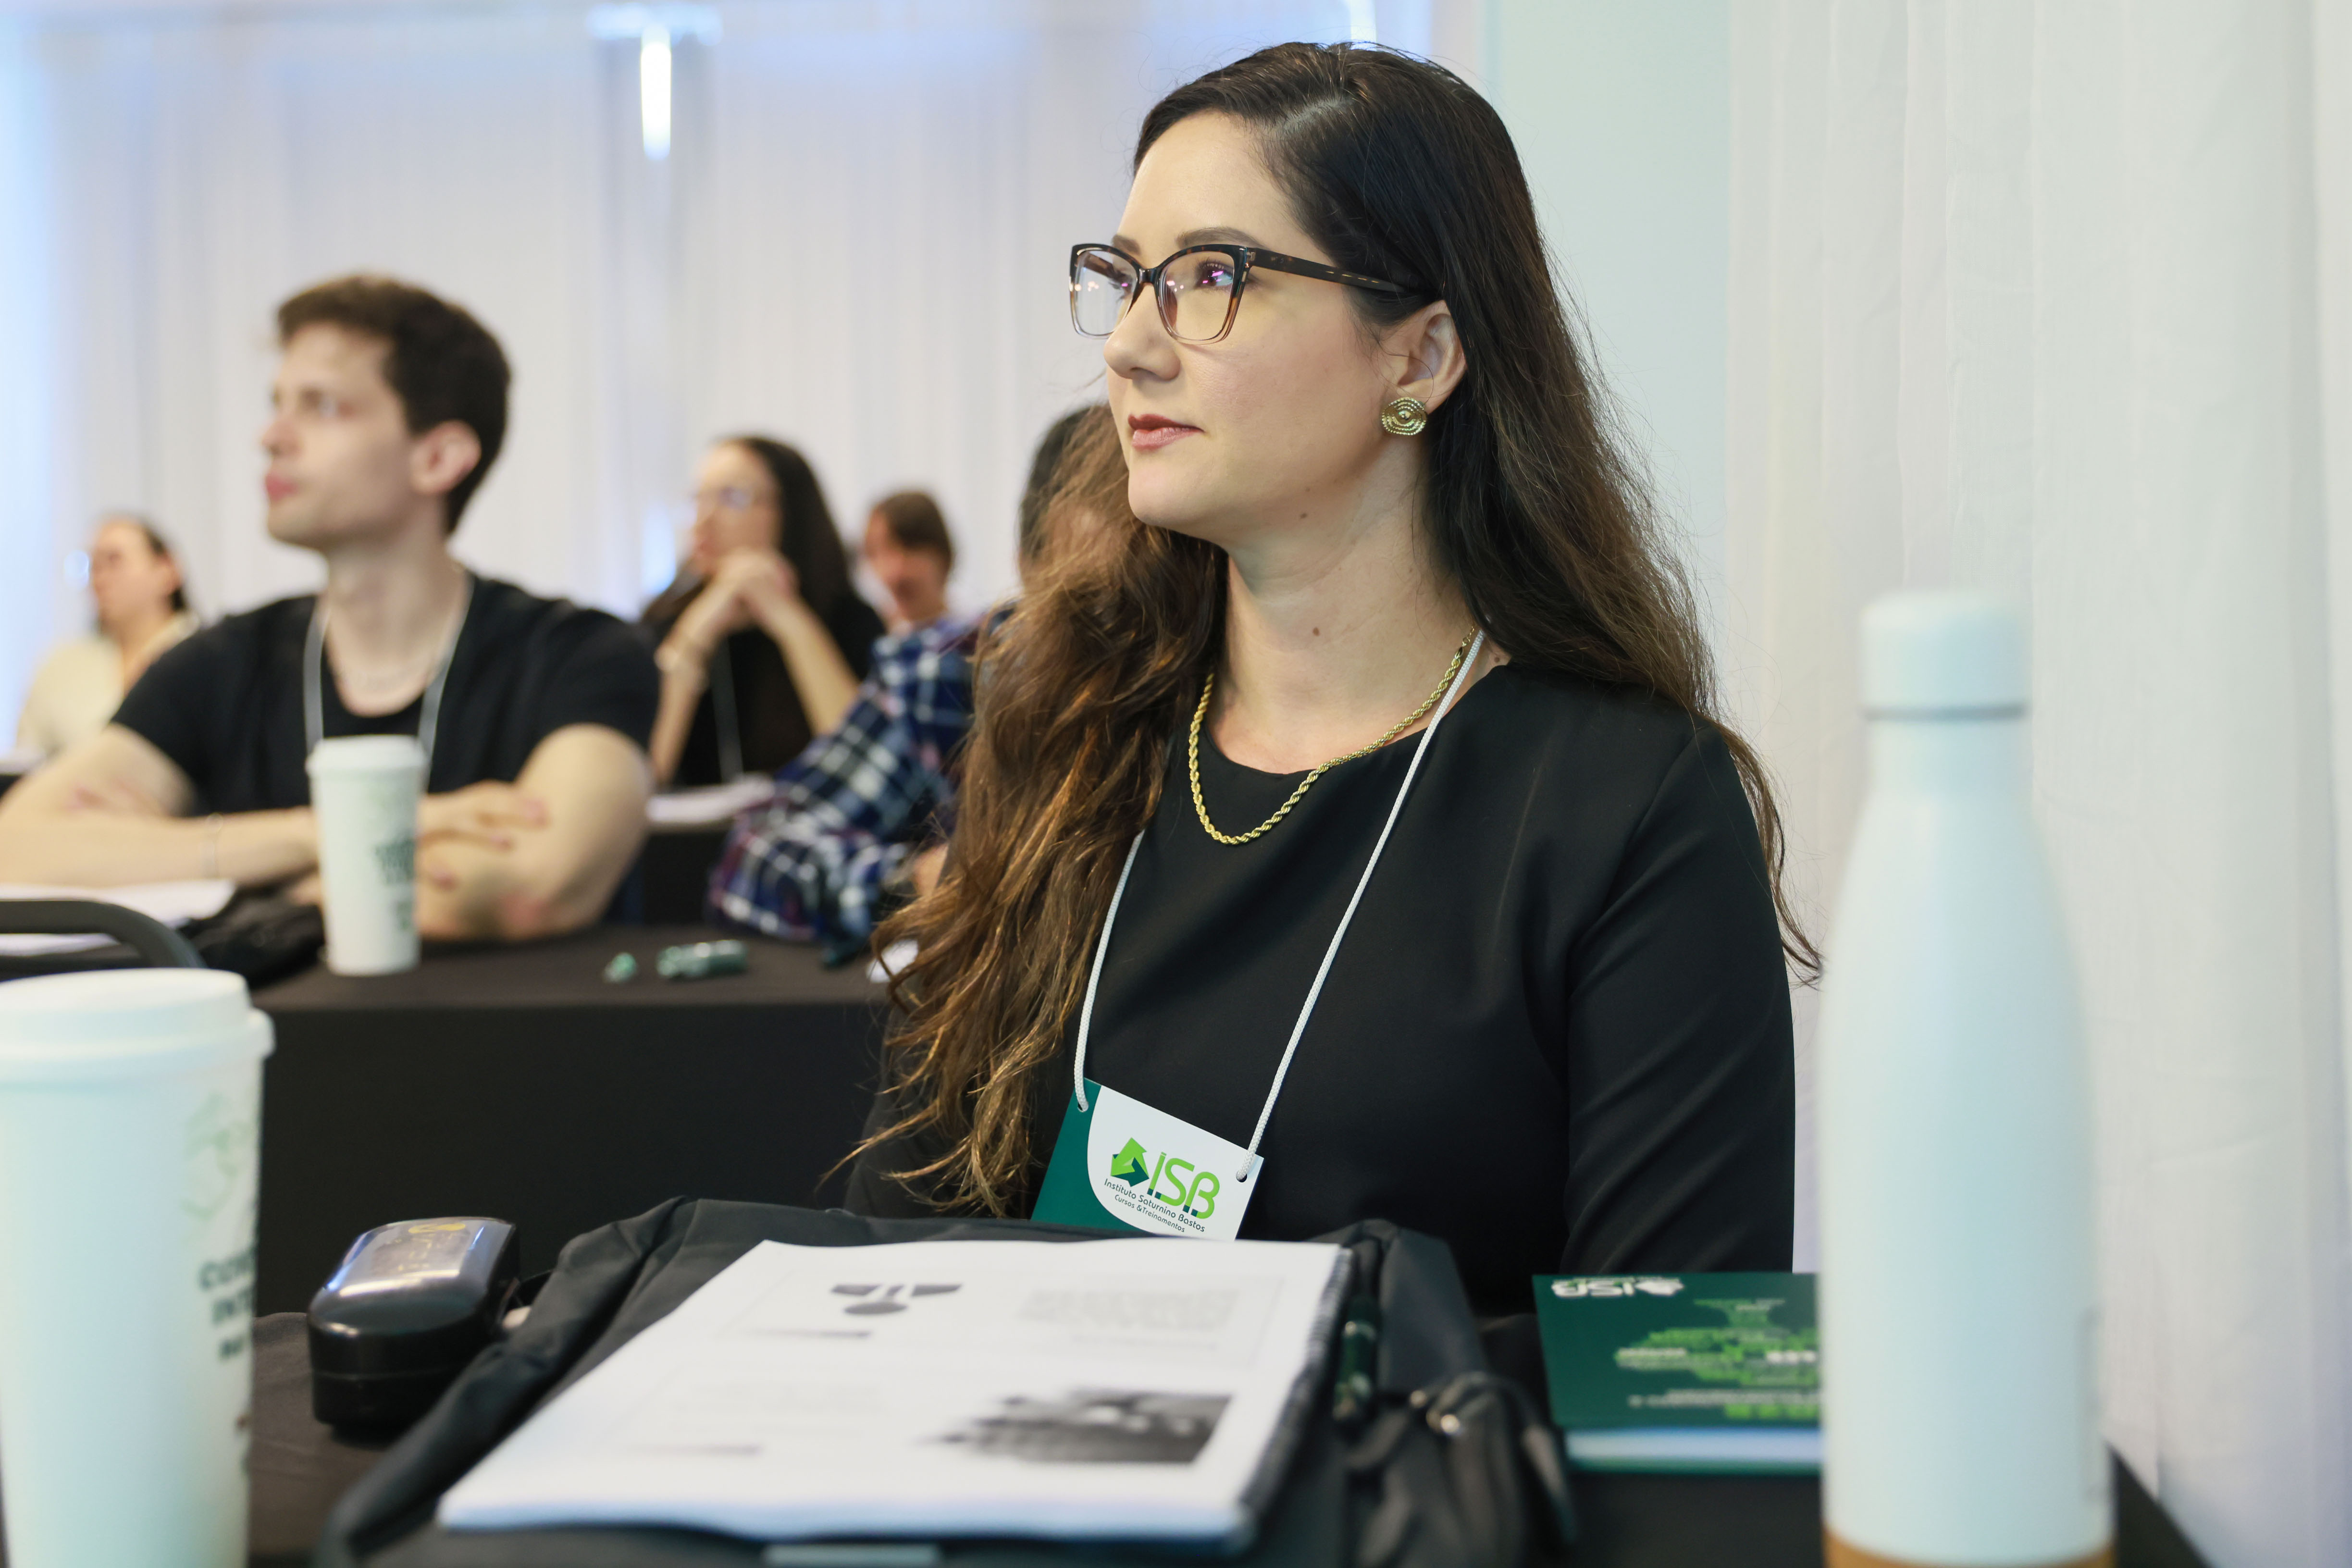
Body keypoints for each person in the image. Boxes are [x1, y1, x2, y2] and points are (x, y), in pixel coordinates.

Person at [844, 43, 1802, 1313]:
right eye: (1126, 278)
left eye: (1208, 277)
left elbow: (1660, 1374)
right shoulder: (1070, 719)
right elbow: (889, 1253)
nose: (1128, 345)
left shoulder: (1623, 806)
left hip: (1424, 1507)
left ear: (1418, 358)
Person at [0, 275, 657, 942]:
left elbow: (525, 888)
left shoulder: (580, 654)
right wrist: (347, 831)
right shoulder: (220, 662)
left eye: (322, 406)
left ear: (438, 457)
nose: (272, 436)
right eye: (278, 403)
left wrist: (189, 864)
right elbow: (16, 850)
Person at [711, 406, 1111, 955]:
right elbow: (757, 852)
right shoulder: (947, 671)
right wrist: (917, 880)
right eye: (1092, 607)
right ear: (1026, 572)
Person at [642, 439, 888, 789]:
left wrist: (789, 621)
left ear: (789, 512)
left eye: (732, 498)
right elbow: (645, 774)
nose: (704, 519)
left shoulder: (848, 619)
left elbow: (866, 768)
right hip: (689, 842)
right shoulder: (663, 620)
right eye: (698, 498)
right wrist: (695, 634)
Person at [14, 515, 200, 760]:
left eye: (114, 561)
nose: (100, 579)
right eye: (94, 566)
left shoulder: (208, 656)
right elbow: (26, 762)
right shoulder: (60, 666)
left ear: (167, 570)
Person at [862, 490, 955, 633]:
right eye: (876, 553)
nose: (894, 573)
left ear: (942, 554)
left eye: (910, 548)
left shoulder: (975, 638)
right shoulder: (875, 641)